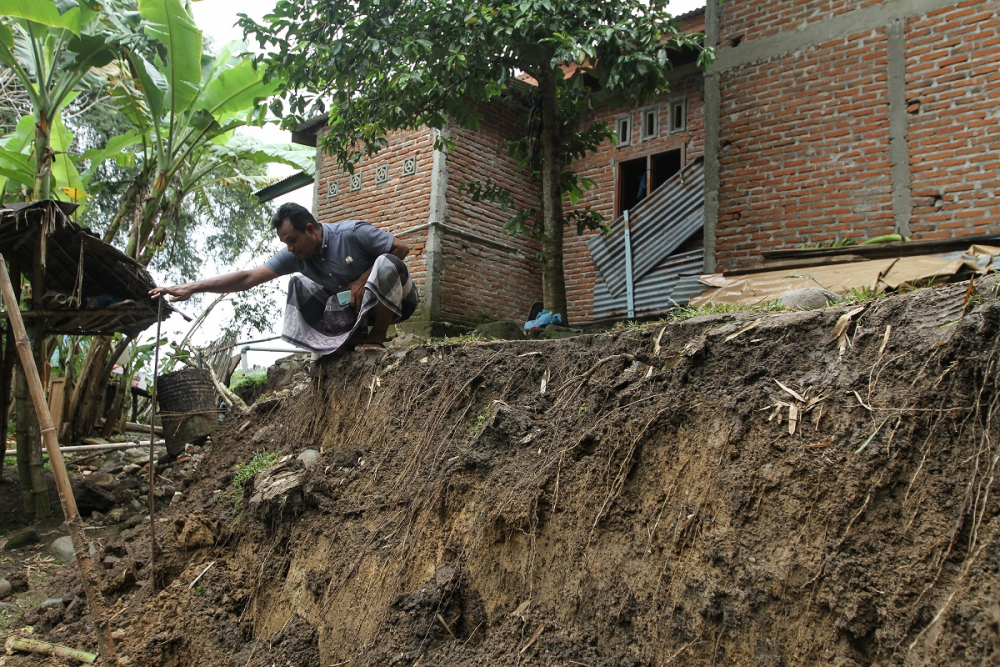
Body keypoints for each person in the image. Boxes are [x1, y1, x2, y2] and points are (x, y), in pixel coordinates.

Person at [149, 203, 419, 354]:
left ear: (310, 230)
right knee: (299, 283)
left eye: (292, 240)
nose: (290, 248)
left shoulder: (351, 233)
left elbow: (401, 249)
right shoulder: (296, 257)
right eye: (285, 242)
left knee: (385, 262)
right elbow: (247, 278)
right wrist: (193, 287)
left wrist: (362, 278)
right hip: (355, 310)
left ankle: (378, 336)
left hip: (398, 302)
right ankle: (344, 341)